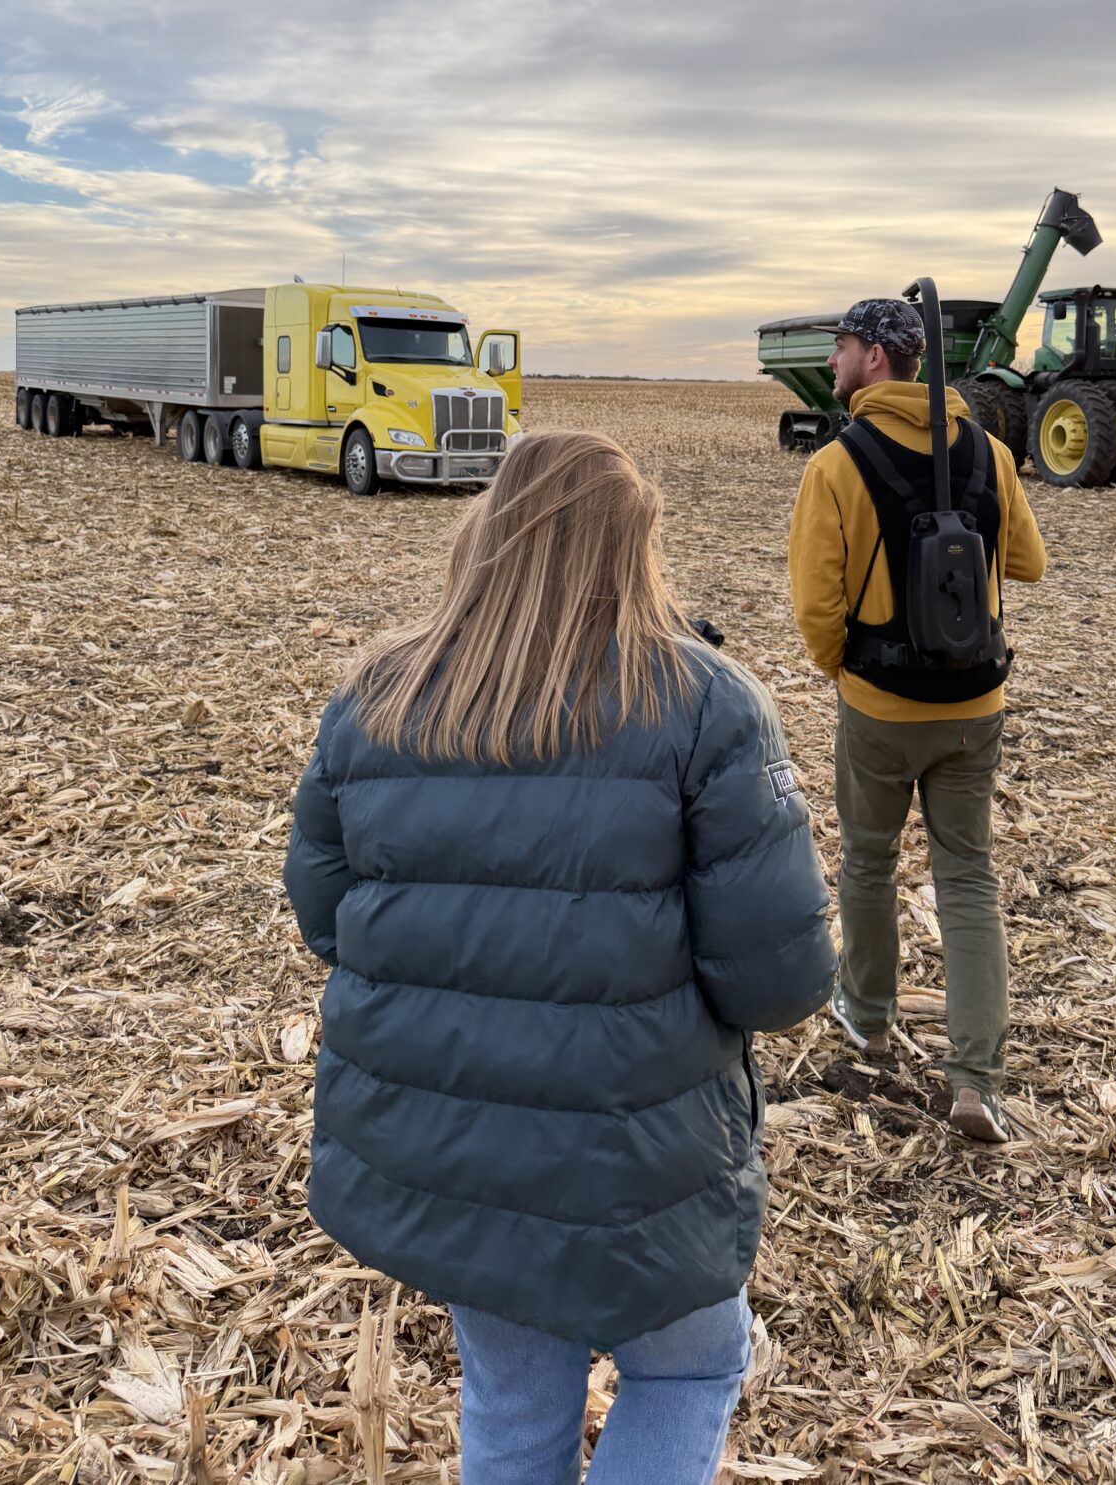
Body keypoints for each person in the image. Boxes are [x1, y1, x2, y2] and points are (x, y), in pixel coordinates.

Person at [284, 430, 836, 1484]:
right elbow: (778, 979)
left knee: (510, 1388)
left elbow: (326, 916)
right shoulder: (705, 703)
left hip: (443, 1139)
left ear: (486, 532)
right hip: (633, 1148)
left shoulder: (377, 699)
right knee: (686, 1369)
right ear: (637, 547)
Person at [787, 299, 1046, 1145]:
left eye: (841, 348)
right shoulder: (992, 452)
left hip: (878, 709)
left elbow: (817, 607)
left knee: (867, 861)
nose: (832, 362)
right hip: (977, 708)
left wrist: (846, 674)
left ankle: (866, 1018)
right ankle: (977, 1078)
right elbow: (1028, 563)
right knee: (967, 878)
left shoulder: (835, 464)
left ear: (874, 359)